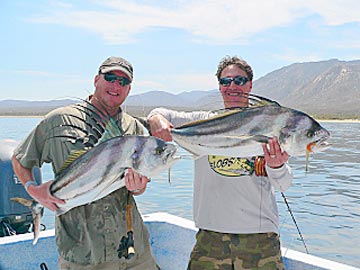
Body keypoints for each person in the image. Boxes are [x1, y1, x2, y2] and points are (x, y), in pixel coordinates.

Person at [11, 56, 159, 270]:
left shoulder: (133, 129)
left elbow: (137, 187)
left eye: (123, 82)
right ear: (96, 79)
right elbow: (20, 158)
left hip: (134, 251)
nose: (116, 85)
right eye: (110, 77)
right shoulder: (59, 121)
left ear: (129, 89)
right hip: (83, 254)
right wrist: (32, 189)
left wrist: (139, 187)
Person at [147, 55, 293, 270]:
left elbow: (283, 184)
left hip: (259, 237)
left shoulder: (269, 124)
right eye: (225, 81)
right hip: (210, 236)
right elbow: (159, 113)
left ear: (250, 84)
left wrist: (277, 165)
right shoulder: (204, 119)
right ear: (219, 87)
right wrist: (156, 120)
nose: (232, 86)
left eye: (239, 80)